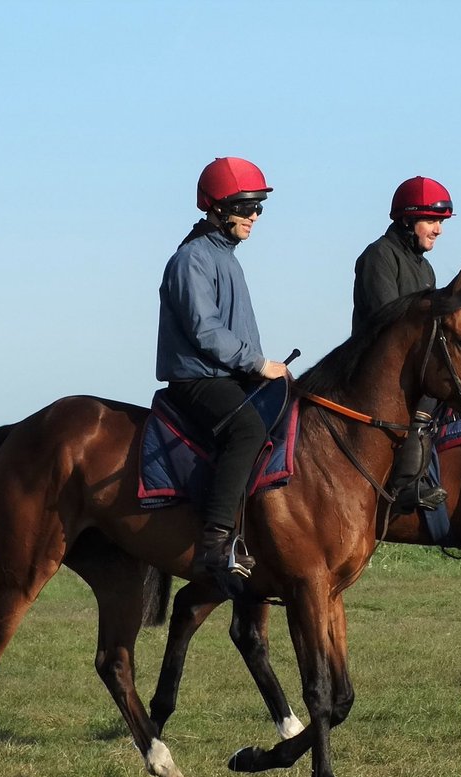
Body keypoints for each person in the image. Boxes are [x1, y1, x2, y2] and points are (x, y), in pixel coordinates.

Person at [156, 156, 288, 587]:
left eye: (259, 207)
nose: (255, 216)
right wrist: (257, 364)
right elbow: (205, 330)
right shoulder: (191, 259)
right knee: (248, 430)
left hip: (227, 375)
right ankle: (215, 541)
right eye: (247, 206)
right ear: (217, 208)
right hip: (198, 379)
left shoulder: (225, 256)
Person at [352, 175, 454, 513]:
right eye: (431, 220)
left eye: (439, 222)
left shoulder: (426, 270)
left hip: (413, 368)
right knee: (428, 399)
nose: (438, 229)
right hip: (378, 371)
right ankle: (403, 486)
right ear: (407, 219)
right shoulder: (379, 257)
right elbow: (389, 327)